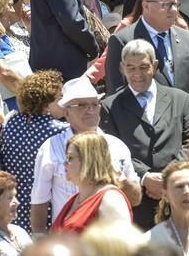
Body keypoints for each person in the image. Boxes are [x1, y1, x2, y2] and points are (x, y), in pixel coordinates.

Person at [100, 39, 189, 230]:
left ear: (155, 65)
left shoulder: (180, 99)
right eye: (131, 68)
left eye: (143, 67)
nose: (137, 74)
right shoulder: (109, 106)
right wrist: (145, 177)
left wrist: (168, 178)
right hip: (136, 200)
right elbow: (111, 150)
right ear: (121, 68)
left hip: (177, 194)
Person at [30, 76, 141, 235]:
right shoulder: (51, 148)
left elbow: (136, 199)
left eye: (94, 104)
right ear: (67, 113)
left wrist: (120, 181)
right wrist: (39, 238)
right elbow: (39, 200)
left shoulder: (117, 147)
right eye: (81, 105)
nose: (90, 110)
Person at [105, 0, 189, 112]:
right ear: (146, 6)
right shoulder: (122, 40)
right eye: (166, 5)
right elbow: (117, 92)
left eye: (175, 4)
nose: (174, 10)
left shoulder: (188, 39)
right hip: (144, 126)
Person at [0, 70, 68, 233]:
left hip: (12, 203)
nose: (65, 102)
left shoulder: (10, 121)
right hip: (45, 207)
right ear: (46, 105)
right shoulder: (61, 131)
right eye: (60, 98)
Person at [51, 132, 133, 233]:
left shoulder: (111, 198)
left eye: (70, 158)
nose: (65, 164)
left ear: (89, 160)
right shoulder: (74, 199)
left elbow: (120, 246)